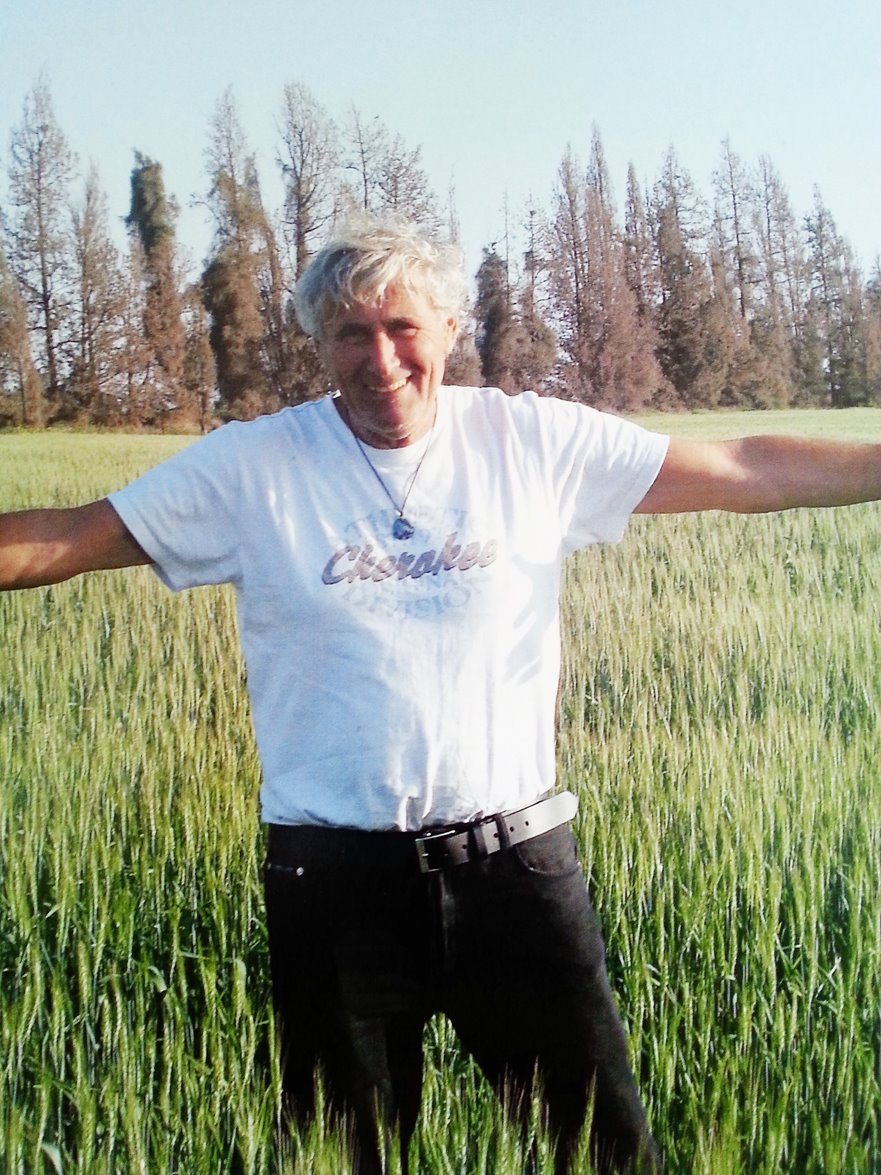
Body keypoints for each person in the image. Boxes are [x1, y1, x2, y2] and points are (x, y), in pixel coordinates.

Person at [2, 218, 880, 1175]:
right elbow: (70, 537)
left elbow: (745, 466)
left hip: (518, 873)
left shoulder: (530, 441)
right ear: (320, 342)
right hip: (332, 889)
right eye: (351, 333)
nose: (379, 359)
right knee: (343, 1158)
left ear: (450, 328)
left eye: (402, 328)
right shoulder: (254, 469)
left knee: (603, 1156)